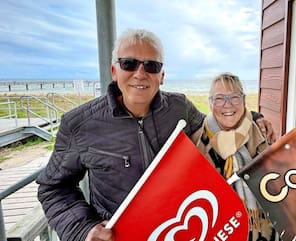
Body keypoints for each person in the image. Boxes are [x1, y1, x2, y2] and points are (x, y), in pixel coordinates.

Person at [36, 28, 275, 241]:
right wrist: (83, 229)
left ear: (162, 75)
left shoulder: (179, 107)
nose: (140, 73)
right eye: (129, 63)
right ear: (114, 71)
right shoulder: (80, 124)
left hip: (187, 228)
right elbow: (53, 188)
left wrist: (254, 118)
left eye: (151, 66)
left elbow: (213, 123)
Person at [192, 72, 279, 241]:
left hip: (267, 227)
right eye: (219, 98)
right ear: (210, 104)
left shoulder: (261, 132)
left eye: (234, 97)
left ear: (244, 101)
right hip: (225, 230)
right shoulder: (200, 142)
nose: (227, 105)